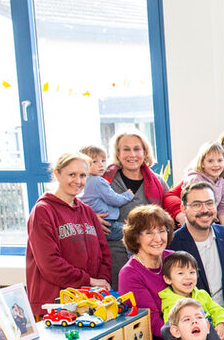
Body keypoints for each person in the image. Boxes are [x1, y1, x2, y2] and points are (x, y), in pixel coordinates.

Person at [26, 153, 110, 316]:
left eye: (83, 175)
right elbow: (50, 263)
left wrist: (102, 282)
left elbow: (104, 251)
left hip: (88, 302)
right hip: (55, 306)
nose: (78, 181)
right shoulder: (43, 211)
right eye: (72, 174)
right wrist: (90, 282)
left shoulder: (87, 211)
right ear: (57, 174)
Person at [167, 181, 224, 325]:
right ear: (183, 208)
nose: (205, 209)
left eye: (209, 203)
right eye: (196, 205)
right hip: (195, 324)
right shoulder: (172, 245)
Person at [102, 131, 169, 288]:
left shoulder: (158, 183)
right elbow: (85, 206)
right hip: (116, 255)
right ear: (118, 154)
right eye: (126, 149)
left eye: (137, 149)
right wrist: (93, 218)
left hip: (152, 256)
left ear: (145, 152)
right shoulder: (105, 181)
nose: (132, 154)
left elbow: (168, 213)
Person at [118, 204, 175, 340]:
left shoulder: (174, 258)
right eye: (149, 233)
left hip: (191, 329)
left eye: (162, 231)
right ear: (136, 237)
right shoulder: (129, 274)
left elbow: (198, 298)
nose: (157, 238)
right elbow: (154, 324)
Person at [158, 251, 224, 340]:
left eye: (192, 272)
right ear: (168, 279)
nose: (188, 277)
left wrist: (221, 324)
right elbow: (175, 332)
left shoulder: (201, 294)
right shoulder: (171, 304)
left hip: (216, 336)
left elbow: (218, 310)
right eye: (180, 273)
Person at [76, 145, 133, 243]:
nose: (101, 165)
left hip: (88, 226)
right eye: (94, 162)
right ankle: (134, 258)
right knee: (133, 232)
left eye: (103, 160)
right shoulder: (97, 181)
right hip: (106, 223)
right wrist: (128, 195)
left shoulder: (82, 181)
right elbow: (114, 200)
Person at [179, 141, 224, 227]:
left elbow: (222, 211)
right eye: (210, 161)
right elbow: (189, 209)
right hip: (195, 223)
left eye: (220, 160)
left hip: (211, 224)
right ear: (202, 163)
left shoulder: (223, 185)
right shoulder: (195, 179)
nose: (216, 165)